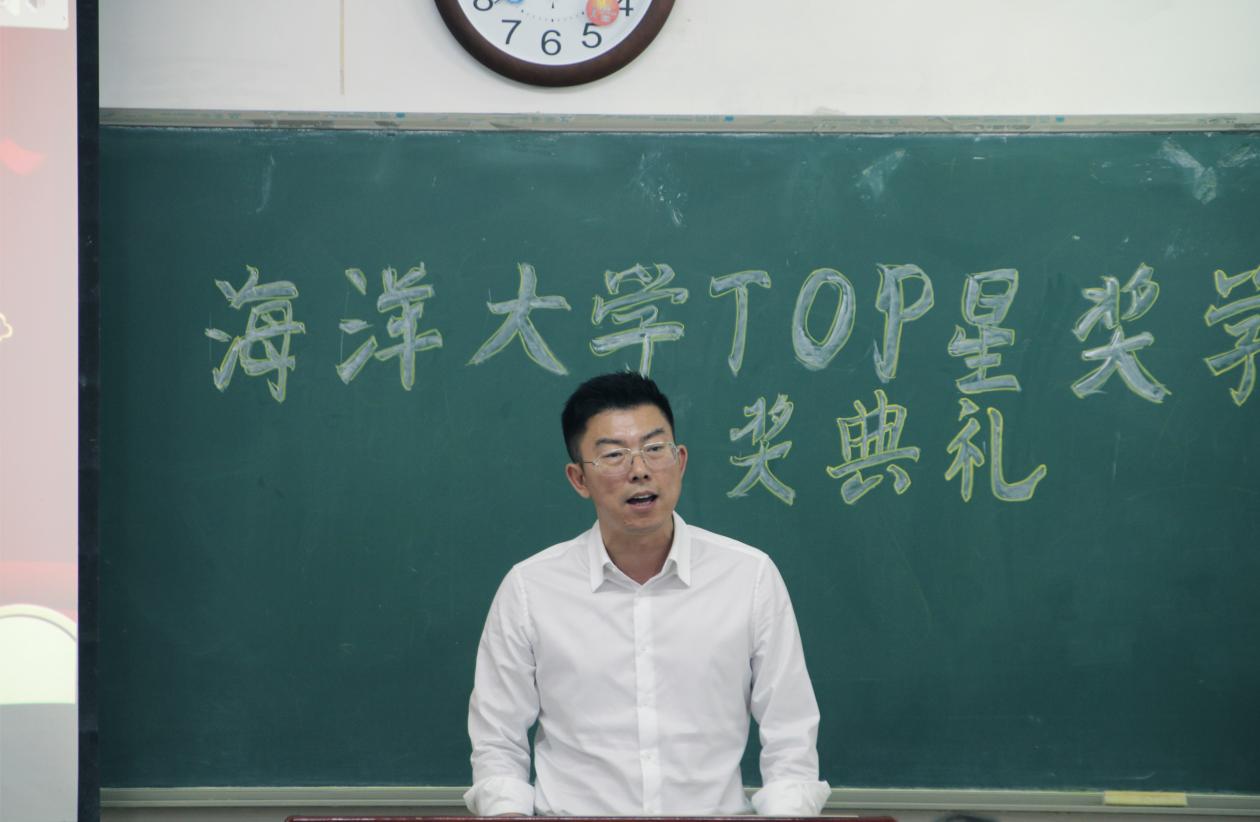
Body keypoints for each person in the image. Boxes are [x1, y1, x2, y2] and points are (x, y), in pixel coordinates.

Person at [465, 371, 829, 816]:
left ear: (680, 460)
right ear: (579, 479)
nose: (639, 470)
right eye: (614, 455)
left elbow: (790, 734)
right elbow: (497, 741)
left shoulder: (749, 576)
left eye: (655, 449)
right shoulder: (530, 589)